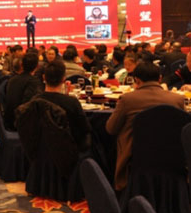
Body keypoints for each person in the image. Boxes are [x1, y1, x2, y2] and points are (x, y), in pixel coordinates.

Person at [106, 62, 185, 191]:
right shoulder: (178, 100)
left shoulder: (127, 99)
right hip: (172, 156)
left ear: (136, 80)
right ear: (160, 78)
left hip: (136, 156)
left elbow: (111, 129)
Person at [36, 60, 91, 153]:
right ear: (63, 79)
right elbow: (85, 128)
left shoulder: (34, 101)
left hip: (39, 150)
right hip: (69, 151)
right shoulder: (71, 102)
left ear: (44, 77)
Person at [4, 53, 41, 131]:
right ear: (37, 66)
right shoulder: (33, 82)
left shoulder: (12, 80)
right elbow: (28, 105)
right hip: (20, 125)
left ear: (21, 65)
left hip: (8, 121)